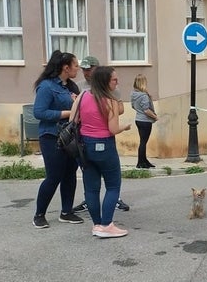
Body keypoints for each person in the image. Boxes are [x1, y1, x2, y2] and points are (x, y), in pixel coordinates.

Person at [77, 66, 132, 238]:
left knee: (91, 189)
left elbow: (73, 120)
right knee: (113, 185)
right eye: (114, 79)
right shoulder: (111, 102)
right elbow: (113, 129)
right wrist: (125, 126)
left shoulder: (82, 96)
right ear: (105, 82)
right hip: (105, 145)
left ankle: (97, 225)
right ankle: (107, 224)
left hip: (84, 146)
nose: (117, 82)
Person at [32, 50, 84, 228]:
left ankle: (66, 212)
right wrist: (69, 113)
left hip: (71, 136)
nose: (78, 68)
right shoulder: (46, 86)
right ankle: (39, 214)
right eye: (75, 65)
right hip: (52, 136)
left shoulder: (71, 87)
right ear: (65, 67)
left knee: (70, 173)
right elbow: (39, 112)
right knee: (54, 176)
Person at [131, 74, 158, 169]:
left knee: (143, 141)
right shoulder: (143, 96)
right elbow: (146, 110)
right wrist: (155, 117)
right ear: (143, 83)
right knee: (143, 142)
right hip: (145, 121)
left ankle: (144, 160)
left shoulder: (134, 94)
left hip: (138, 119)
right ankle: (140, 162)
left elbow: (133, 106)